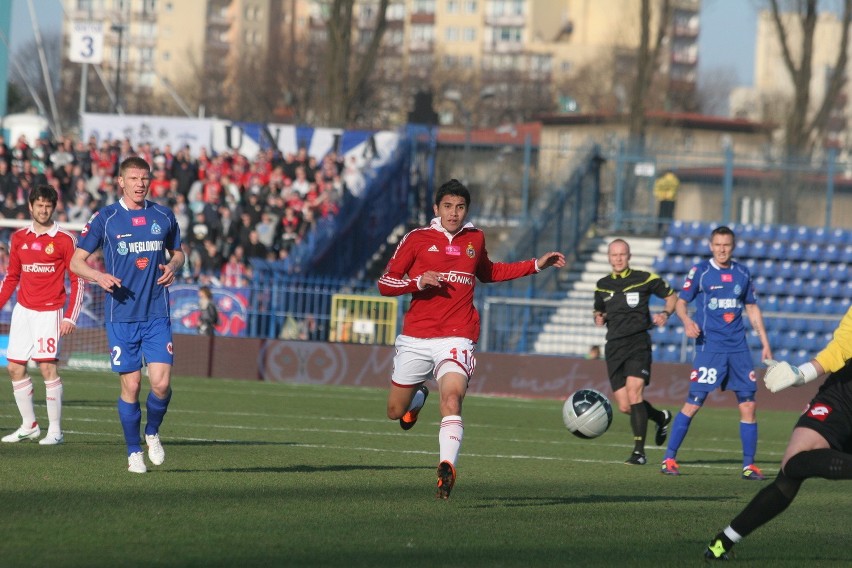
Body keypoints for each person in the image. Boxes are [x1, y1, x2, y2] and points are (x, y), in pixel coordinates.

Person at [377, 178, 566, 499]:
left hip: (458, 336)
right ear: (436, 209)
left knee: (452, 400)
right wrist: (418, 282)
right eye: (448, 207)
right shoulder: (418, 239)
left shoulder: (475, 238)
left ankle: (446, 468)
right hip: (416, 337)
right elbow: (385, 283)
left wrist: (535, 265)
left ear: (467, 210)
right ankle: (418, 399)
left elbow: (489, 272)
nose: (454, 213)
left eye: (460, 207)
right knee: (395, 412)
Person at [704, 311, 852, 561]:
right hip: (843, 397)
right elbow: (843, 345)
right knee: (793, 466)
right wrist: (802, 373)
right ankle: (723, 541)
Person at [70, 156, 185, 474]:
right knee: (132, 386)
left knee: (160, 385)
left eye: (145, 178)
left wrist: (174, 266)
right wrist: (99, 277)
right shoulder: (105, 218)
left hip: (156, 313)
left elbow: (178, 252)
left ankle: (152, 431)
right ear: (121, 181)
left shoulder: (163, 215)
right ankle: (134, 451)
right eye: (134, 178)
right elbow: (76, 262)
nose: (140, 184)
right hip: (121, 316)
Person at [662, 225, 773, 479]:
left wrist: (765, 342)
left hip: (738, 349)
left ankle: (749, 465)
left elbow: (752, 308)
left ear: (732, 247)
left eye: (726, 245)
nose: (722, 249)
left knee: (749, 404)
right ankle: (669, 458)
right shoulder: (700, 272)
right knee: (694, 402)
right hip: (709, 348)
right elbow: (681, 302)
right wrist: (687, 322)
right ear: (711, 246)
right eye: (718, 245)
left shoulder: (742, 273)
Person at [0, 185, 84, 445]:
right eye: (39, 205)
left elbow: (78, 279)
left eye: (48, 206)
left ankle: (56, 431)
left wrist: (70, 316)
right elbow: (12, 276)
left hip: (50, 311)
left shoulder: (65, 239)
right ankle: (30, 425)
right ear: (31, 207)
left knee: (47, 367)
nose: (44, 210)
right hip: (23, 311)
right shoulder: (19, 238)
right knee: (15, 368)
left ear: (54, 208)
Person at [593, 238, 676, 465]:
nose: (618, 258)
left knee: (634, 393)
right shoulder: (601, 285)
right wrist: (598, 318)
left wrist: (666, 314)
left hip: (638, 343)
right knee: (625, 405)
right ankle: (660, 417)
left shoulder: (645, 279)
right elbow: (598, 311)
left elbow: (672, 296)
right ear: (609, 258)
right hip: (614, 347)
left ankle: (639, 453)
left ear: (629, 256)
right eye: (614, 255)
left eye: (622, 254)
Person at [653, 170, 679, 235]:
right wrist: (669, 195)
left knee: (661, 214)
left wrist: (661, 195)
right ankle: (669, 229)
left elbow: (656, 189)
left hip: (662, 199)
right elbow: (675, 188)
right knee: (669, 215)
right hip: (671, 200)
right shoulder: (675, 180)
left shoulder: (660, 180)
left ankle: (659, 229)